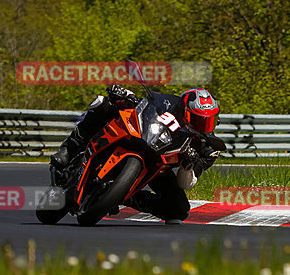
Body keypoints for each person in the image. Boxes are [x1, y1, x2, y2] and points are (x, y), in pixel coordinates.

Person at [50, 85, 225, 224]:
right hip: (144, 139)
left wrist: (188, 165)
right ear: (185, 111)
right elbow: (146, 104)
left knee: (179, 211)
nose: (204, 126)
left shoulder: (209, 147)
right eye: (199, 120)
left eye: (209, 121)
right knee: (103, 103)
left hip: (159, 166)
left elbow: (186, 184)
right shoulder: (170, 107)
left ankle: (125, 197)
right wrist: (126, 95)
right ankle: (68, 149)